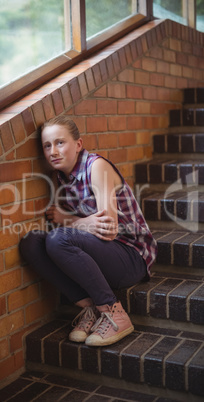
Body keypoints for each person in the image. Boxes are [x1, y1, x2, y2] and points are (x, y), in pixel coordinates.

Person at [19, 116, 157, 347]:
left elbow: (108, 230)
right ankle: (90, 309)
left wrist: (68, 219)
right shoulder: (60, 177)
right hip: (102, 253)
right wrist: (84, 222)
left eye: (60, 142)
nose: (53, 151)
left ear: (78, 145)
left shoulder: (96, 166)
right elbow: (83, 229)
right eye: (47, 145)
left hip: (132, 257)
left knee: (57, 238)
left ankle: (114, 313)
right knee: (31, 242)